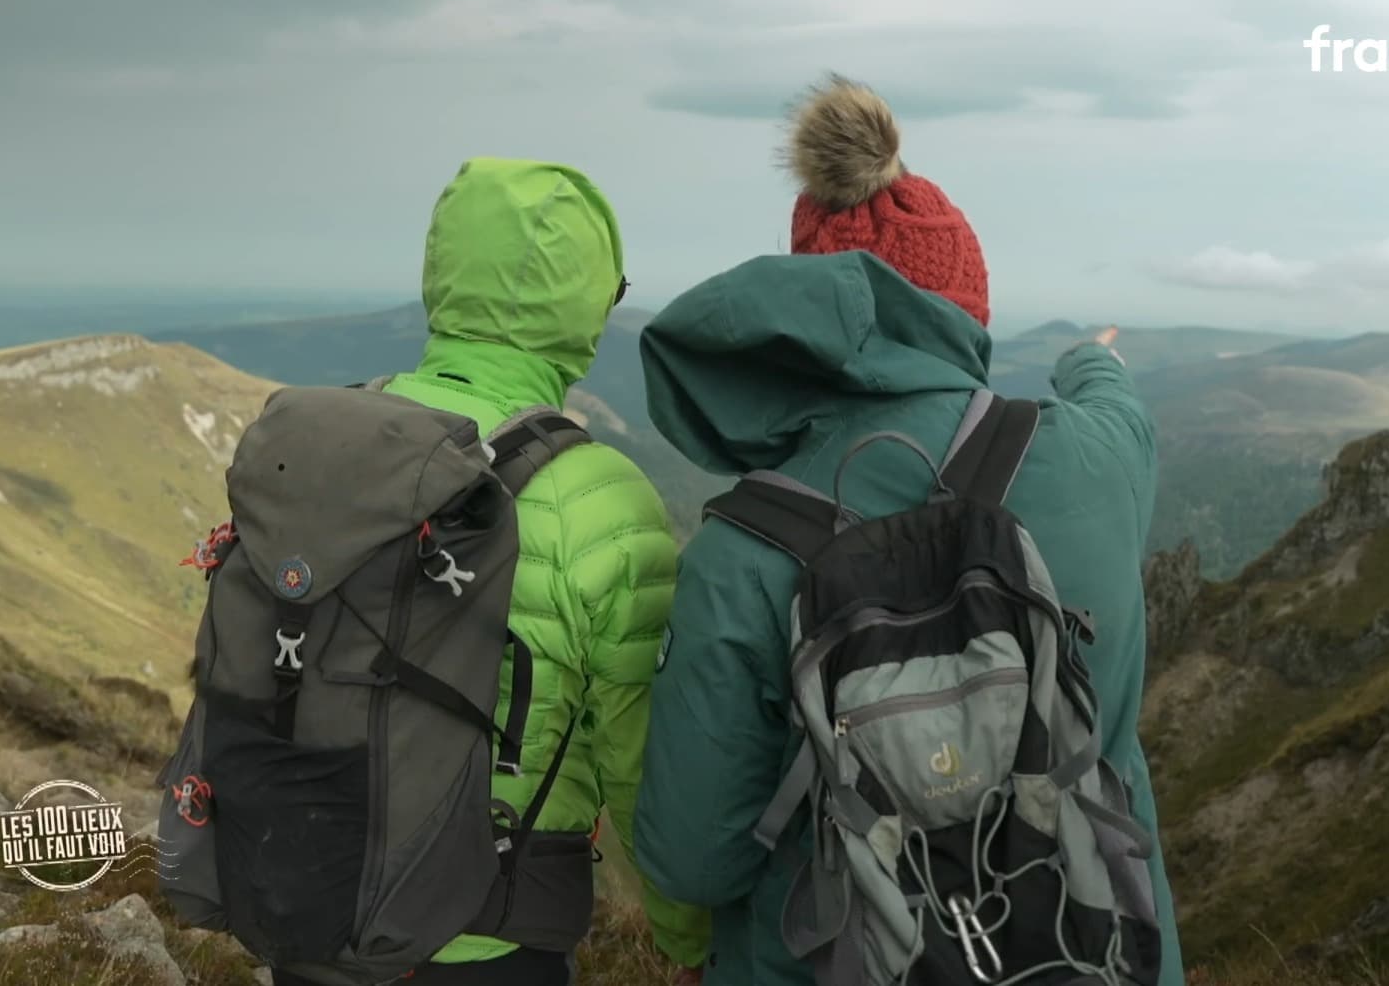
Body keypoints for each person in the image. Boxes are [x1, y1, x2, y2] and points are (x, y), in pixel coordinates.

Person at [632, 76, 1183, 985]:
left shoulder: (741, 549)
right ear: (966, 310)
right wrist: (1092, 356)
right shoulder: (1100, 462)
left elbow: (695, 858)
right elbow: (1114, 405)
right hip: (1096, 958)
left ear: (804, 317)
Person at [271, 157, 710, 985]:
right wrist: (687, 938)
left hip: (312, 896)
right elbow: (636, 762)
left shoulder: (329, 442)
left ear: (441, 273)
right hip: (493, 928)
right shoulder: (605, 499)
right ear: (588, 301)